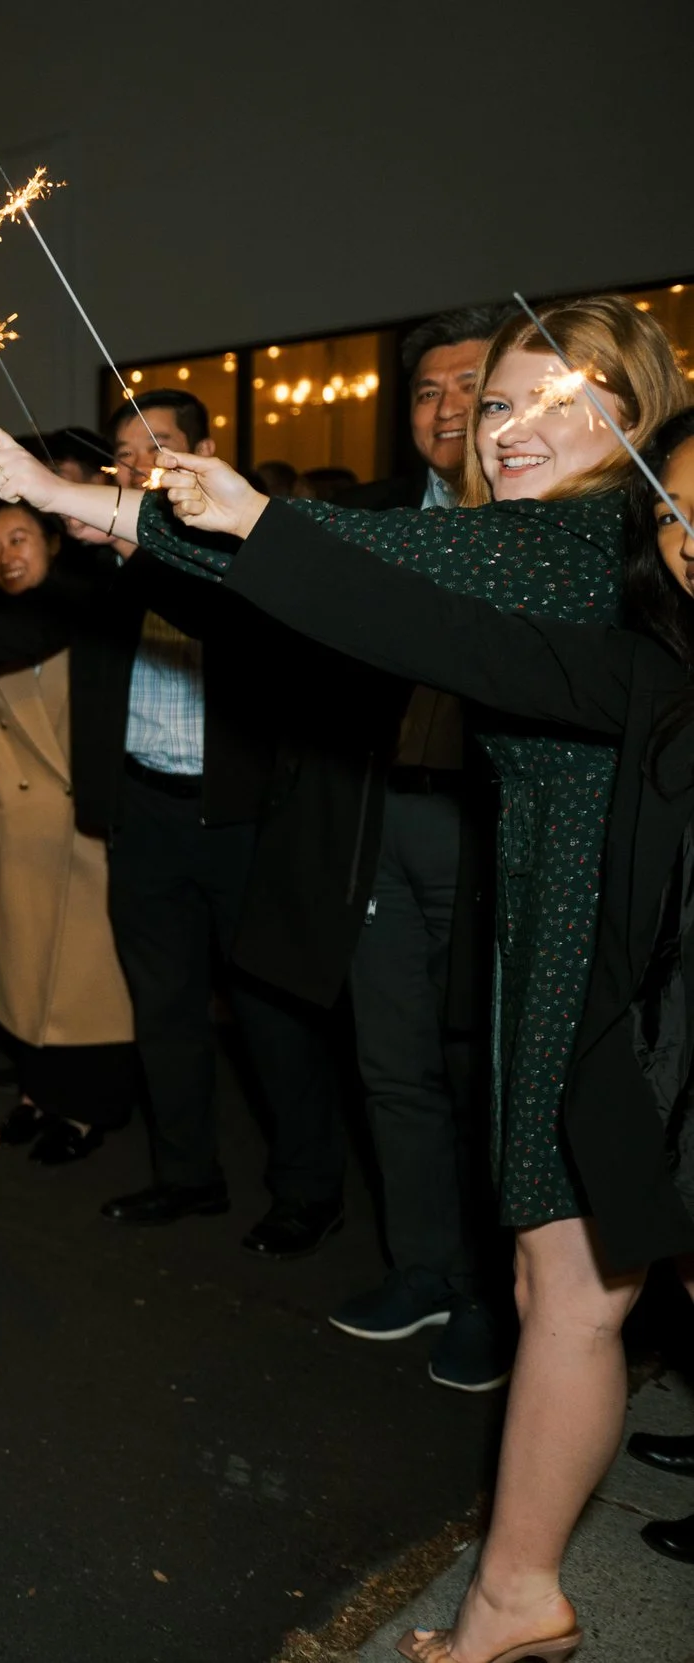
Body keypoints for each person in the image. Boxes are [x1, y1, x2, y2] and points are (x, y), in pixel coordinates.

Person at [124, 398, 694, 1663]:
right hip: (643, 1007)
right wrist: (237, 523)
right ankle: (516, 1596)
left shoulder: (576, 566)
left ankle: (517, 1596)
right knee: (570, 1282)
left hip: (622, 991)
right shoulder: (649, 666)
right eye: (682, 511)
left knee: (579, 1284)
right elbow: (436, 631)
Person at [0, 389, 353, 1256]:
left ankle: (308, 1190)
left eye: (157, 443)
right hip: (143, 812)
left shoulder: (240, 547)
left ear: (204, 449)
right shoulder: (99, 568)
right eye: (126, 449)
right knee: (164, 1008)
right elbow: (4, 628)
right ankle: (186, 1174)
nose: (137, 460)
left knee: (271, 1015)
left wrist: (130, 539)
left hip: (242, 816)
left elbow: (246, 625)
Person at [324, 303, 519, 1391]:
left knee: (482, 1068)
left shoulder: (542, 518)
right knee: (392, 1060)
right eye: (428, 390)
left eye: (471, 388)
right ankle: (424, 1268)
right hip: (381, 813)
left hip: (488, 824)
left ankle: (493, 1296)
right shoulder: (376, 515)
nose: (447, 409)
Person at [0, 502, 139, 1162]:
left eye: (20, 538)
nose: (5, 554)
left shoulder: (92, 613)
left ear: (54, 544)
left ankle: (87, 1109)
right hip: (20, 830)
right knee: (29, 970)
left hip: (89, 823)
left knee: (89, 979)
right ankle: (40, 1093)